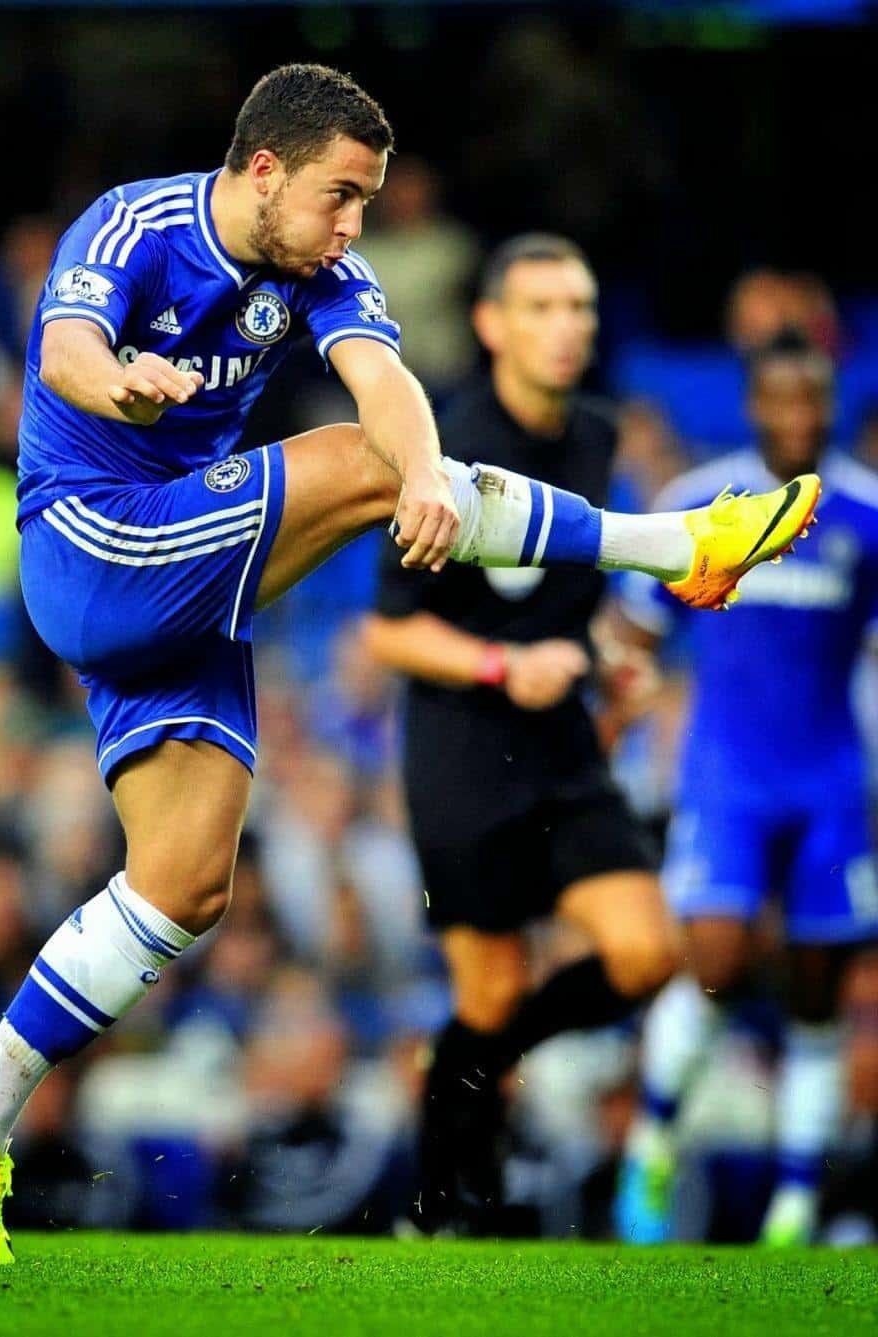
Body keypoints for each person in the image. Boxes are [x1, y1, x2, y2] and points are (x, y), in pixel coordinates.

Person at [0, 63, 820, 1266]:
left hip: (184, 572)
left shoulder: (323, 263)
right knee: (347, 459)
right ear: (264, 169)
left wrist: (427, 471)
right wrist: (120, 381)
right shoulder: (135, 225)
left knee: (184, 882)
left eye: (367, 203)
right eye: (341, 196)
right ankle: (676, 547)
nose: (353, 225)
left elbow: (386, 379)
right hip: (95, 539)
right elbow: (66, 345)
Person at [364, 233, 679, 1236]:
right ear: (492, 324)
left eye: (579, 306)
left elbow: (571, 590)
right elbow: (385, 630)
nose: (566, 326)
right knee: (489, 990)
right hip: (462, 752)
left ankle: (480, 1064)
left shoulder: (597, 434)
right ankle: (435, 1206)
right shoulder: (445, 446)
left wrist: (609, 653)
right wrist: (505, 665)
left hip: (563, 747)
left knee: (646, 951)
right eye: (541, 307)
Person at [616, 330, 878, 1246]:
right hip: (725, 778)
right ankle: (653, 1137)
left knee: (816, 990)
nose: (799, 416)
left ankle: (795, 1204)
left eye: (814, 399)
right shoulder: (700, 505)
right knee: (717, 961)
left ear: (830, 406)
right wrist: (624, 716)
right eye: (782, 399)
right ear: (754, 405)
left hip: (831, 783)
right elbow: (637, 634)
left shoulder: (864, 514)